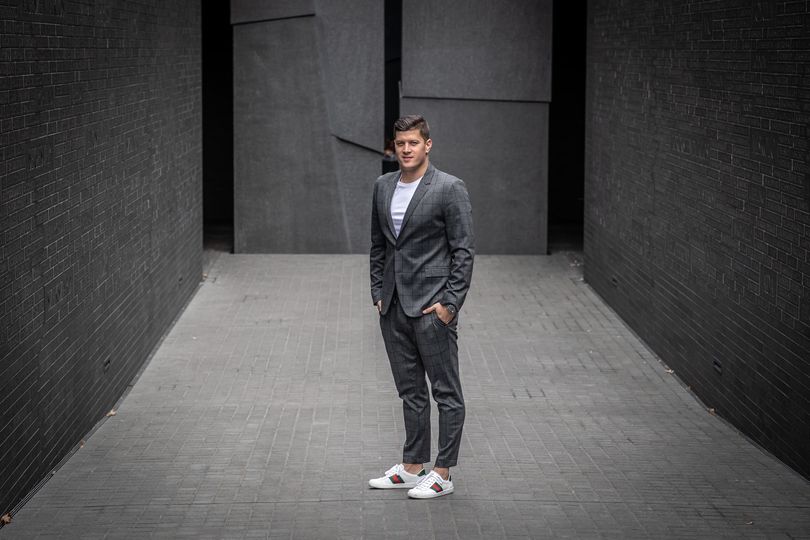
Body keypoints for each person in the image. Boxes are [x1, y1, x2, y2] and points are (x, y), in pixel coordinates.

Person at [368, 115, 475, 499]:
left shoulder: (449, 188)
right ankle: (414, 466)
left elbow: (463, 251)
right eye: (401, 144)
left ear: (427, 145)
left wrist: (450, 304)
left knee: (446, 393)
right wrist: (378, 292)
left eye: (413, 142)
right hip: (393, 307)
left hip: (432, 309)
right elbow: (379, 245)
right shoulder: (383, 186)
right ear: (394, 147)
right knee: (410, 391)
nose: (406, 149)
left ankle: (442, 473)